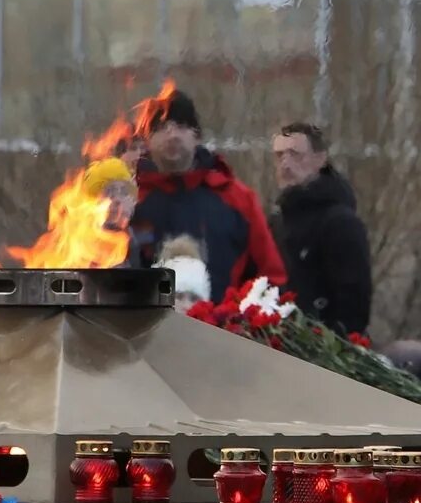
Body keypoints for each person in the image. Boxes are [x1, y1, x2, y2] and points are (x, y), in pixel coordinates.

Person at [128, 89, 284, 297]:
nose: (172, 135)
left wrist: (239, 320)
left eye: (182, 126)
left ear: (197, 136)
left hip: (221, 326)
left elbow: (270, 277)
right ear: (148, 139)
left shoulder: (236, 198)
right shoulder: (130, 201)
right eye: (162, 127)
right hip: (149, 327)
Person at [270, 122, 372, 336]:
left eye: (295, 154)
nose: (286, 164)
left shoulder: (341, 224)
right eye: (280, 156)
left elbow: (354, 308)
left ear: (320, 159)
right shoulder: (276, 222)